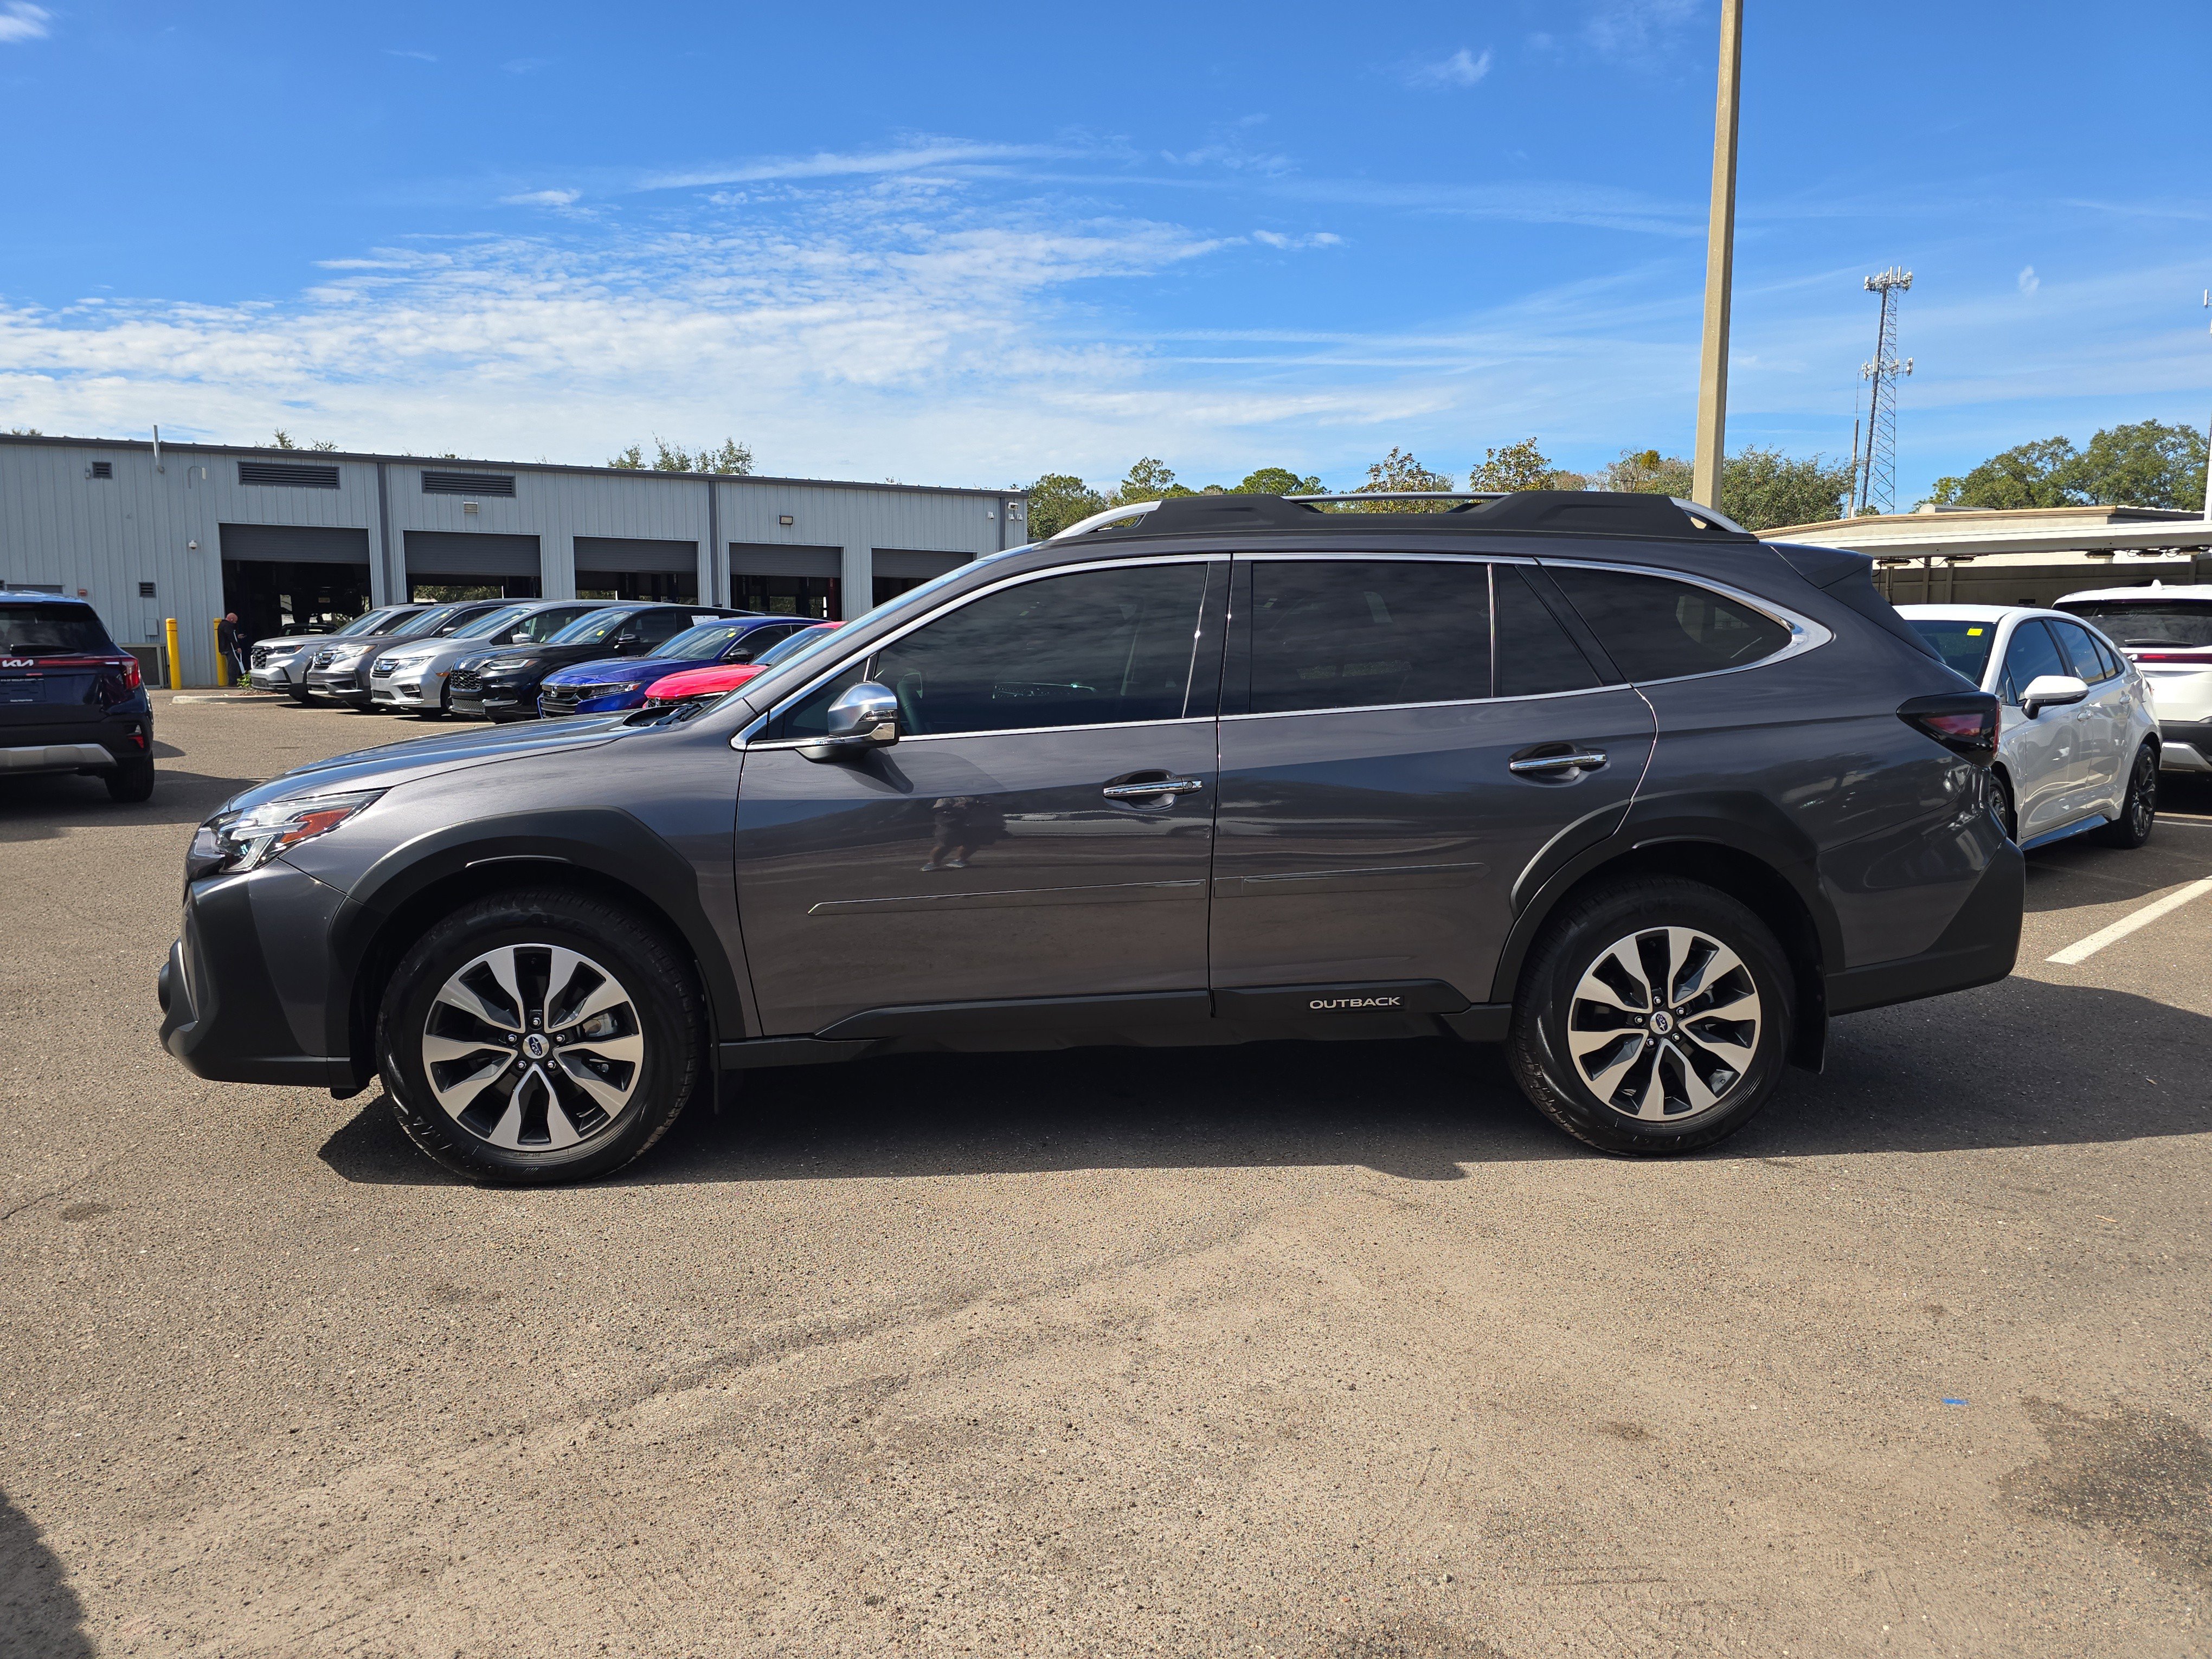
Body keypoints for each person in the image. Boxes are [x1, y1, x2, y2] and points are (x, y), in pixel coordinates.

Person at [216, 611, 246, 686]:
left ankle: (234, 681)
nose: (235, 623)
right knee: (233, 665)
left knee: (233, 664)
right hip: (230, 648)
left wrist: (237, 636)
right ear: (231, 619)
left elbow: (229, 635)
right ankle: (233, 682)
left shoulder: (222, 625)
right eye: (235, 621)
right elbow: (231, 637)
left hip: (225, 648)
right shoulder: (228, 626)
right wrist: (238, 647)